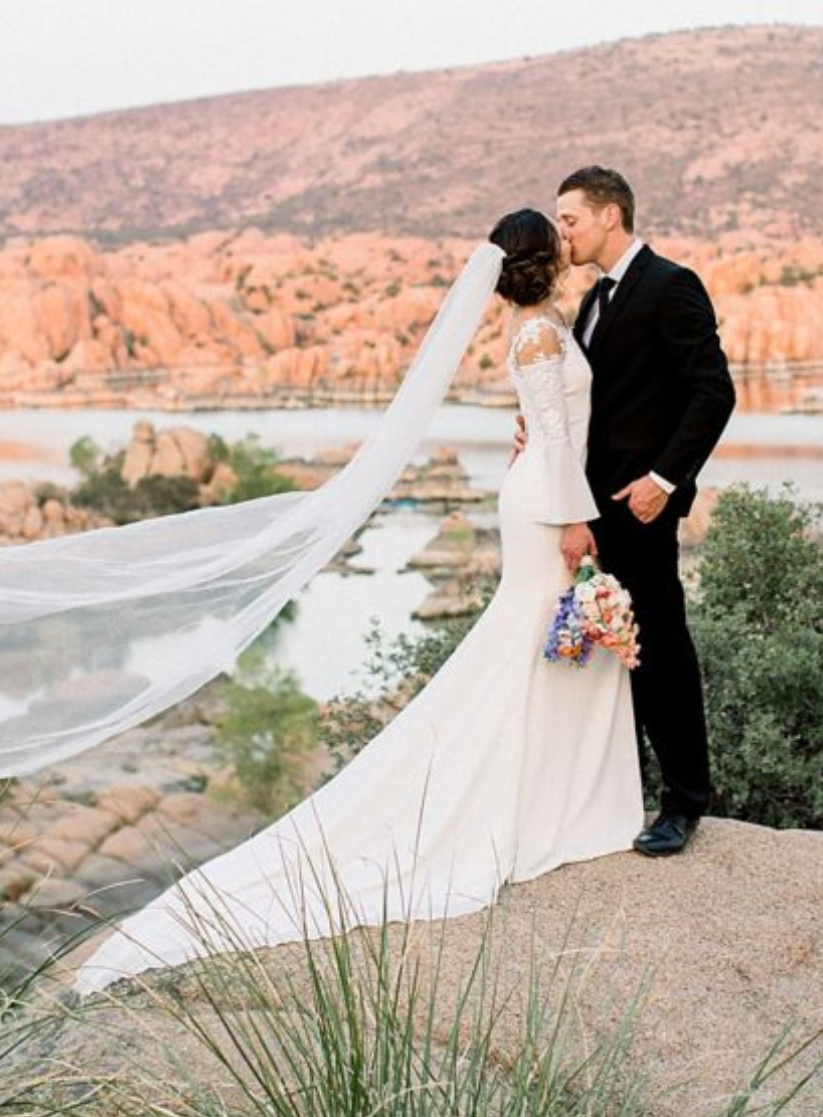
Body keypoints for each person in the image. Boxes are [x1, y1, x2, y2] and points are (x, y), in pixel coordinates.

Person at [72, 209, 643, 994]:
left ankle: (555, 801)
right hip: (548, 506)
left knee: (536, 651)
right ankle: (541, 807)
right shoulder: (540, 334)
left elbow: (547, 428)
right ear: (542, 261)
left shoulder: (539, 324)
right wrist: (577, 522)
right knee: (533, 651)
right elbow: (551, 432)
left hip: (543, 491)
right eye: (560, 239)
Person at [555, 166, 735, 857]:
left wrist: (665, 476)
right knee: (612, 652)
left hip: (642, 507)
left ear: (609, 215)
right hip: (594, 512)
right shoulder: (592, 301)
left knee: (661, 648)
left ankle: (685, 802)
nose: (562, 230)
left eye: (570, 217)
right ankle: (618, 794)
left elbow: (713, 392)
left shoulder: (671, 285)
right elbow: (594, 408)